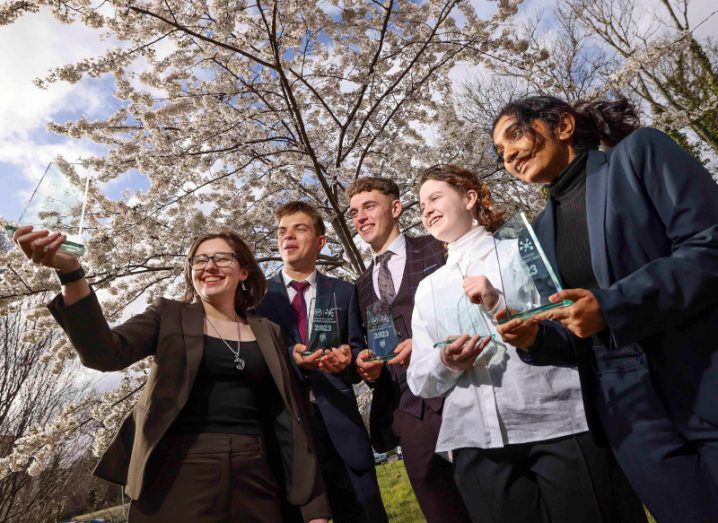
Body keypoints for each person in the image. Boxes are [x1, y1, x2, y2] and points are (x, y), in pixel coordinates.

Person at [491, 95, 718, 522]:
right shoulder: (534, 235)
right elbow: (577, 326)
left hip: (701, 371)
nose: (509, 156)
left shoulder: (639, 155)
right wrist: (536, 336)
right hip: (626, 410)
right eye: (500, 152)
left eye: (515, 135)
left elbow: (709, 246)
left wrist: (614, 305)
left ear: (562, 126)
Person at [11, 226, 329, 523]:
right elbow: (103, 353)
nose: (210, 266)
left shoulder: (268, 331)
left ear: (243, 271)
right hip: (176, 477)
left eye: (221, 258)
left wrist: (314, 506)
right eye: (200, 260)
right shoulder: (168, 316)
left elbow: (287, 417)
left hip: (257, 478)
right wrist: (70, 272)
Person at [406, 164, 647, 523]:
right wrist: (447, 361)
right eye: (421, 204)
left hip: (558, 424)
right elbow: (419, 378)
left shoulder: (523, 249)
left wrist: (500, 306)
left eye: (435, 197)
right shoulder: (428, 289)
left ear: (469, 198)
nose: (426, 209)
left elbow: (567, 318)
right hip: (476, 443)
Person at [346, 176, 471, 523]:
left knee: (492, 500)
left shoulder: (438, 248)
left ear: (396, 208)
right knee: (441, 510)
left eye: (369, 206)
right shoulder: (358, 288)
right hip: (408, 412)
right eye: (354, 212)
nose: (360, 217)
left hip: (462, 393)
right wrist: (367, 368)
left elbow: (472, 307)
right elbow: (368, 346)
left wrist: (431, 340)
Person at [254, 201, 388, 523]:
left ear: (320, 241)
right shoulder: (257, 298)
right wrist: (291, 358)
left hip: (342, 430)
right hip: (288, 438)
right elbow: (255, 360)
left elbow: (356, 351)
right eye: (282, 231)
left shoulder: (343, 292)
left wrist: (350, 361)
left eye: (299, 228)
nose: (288, 236)